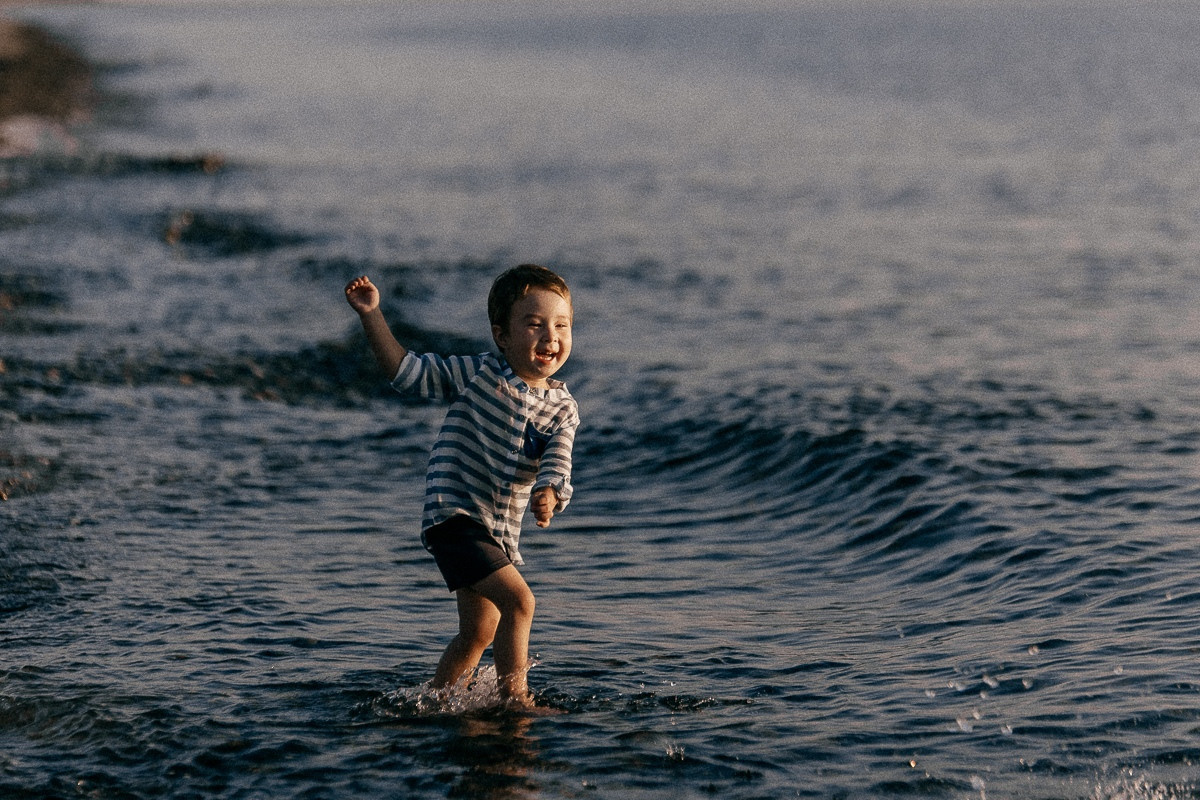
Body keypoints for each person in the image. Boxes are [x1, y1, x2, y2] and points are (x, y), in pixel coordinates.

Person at [345, 265, 579, 706]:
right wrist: (371, 315)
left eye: (561, 325)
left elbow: (558, 460)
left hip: (497, 532)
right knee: (521, 603)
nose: (550, 336)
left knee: (479, 631)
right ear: (501, 336)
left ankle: (436, 703)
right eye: (534, 324)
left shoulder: (563, 408)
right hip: (453, 517)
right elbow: (407, 372)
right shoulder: (479, 373)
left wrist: (550, 492)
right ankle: (516, 702)